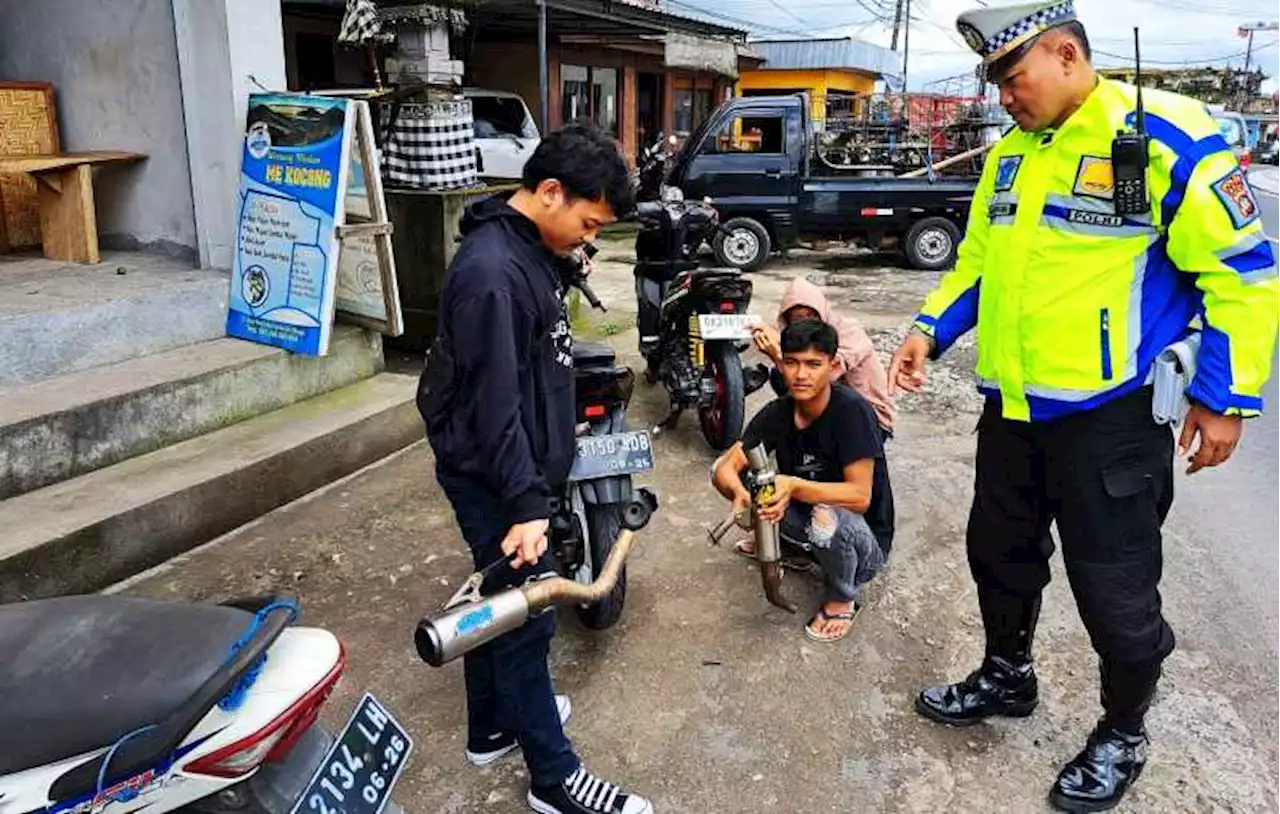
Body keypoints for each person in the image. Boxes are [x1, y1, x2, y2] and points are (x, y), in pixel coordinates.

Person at [891, 3, 1280, 811]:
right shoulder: (1009, 160)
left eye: (1012, 76)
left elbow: (1242, 275)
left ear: (1066, 54)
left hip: (1113, 421)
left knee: (1116, 586)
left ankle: (1124, 730)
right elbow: (978, 266)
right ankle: (1007, 676)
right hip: (1015, 409)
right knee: (997, 553)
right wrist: (929, 329)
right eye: (995, 82)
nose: (1004, 96)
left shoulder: (1165, 136)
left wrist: (1225, 398)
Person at [419, 123, 651, 814]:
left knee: (497, 601)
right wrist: (525, 505)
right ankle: (556, 779)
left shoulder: (525, 246)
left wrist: (563, 264)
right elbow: (495, 409)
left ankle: (492, 728)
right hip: (494, 473)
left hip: (513, 464)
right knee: (529, 615)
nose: (588, 238)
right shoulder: (493, 274)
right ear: (549, 192)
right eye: (586, 223)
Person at [712, 320, 888, 643]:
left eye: (813, 364)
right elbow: (725, 467)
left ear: (833, 366)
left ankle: (841, 596)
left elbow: (860, 496)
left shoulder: (853, 412)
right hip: (808, 523)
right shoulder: (779, 412)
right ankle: (794, 549)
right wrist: (740, 495)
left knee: (824, 514)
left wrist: (792, 485)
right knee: (757, 484)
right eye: (791, 363)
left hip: (862, 544)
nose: (800, 374)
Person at [750, 276, 897, 555]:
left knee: (835, 498)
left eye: (809, 315)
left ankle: (843, 550)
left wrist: (780, 356)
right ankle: (794, 532)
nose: (802, 322)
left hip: (867, 417)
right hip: (826, 412)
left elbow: (819, 380)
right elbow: (793, 390)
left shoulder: (847, 332)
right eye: (795, 318)